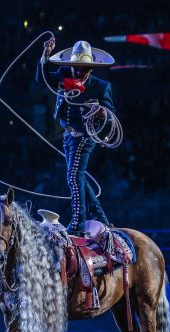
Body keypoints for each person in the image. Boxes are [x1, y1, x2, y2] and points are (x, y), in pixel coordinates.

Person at [39, 38, 116, 236]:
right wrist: (46, 56)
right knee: (79, 178)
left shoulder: (100, 87)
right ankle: (103, 219)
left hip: (85, 136)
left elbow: (110, 116)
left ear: (90, 69)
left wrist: (101, 113)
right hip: (68, 136)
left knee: (74, 176)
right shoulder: (64, 74)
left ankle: (78, 224)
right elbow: (43, 78)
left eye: (82, 69)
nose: (78, 72)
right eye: (75, 68)